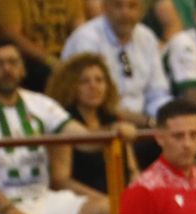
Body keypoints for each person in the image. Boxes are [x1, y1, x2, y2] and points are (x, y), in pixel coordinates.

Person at [0, 38, 113, 214]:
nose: (7, 69)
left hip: (41, 199)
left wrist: (113, 131)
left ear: (23, 69)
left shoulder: (41, 104)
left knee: (104, 212)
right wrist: (7, 209)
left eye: (12, 62)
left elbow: (84, 140)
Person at [62, 0, 171, 125]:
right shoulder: (86, 39)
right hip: (98, 123)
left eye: (132, 6)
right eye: (118, 6)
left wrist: (165, 119)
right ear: (104, 8)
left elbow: (157, 93)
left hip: (143, 122)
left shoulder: (147, 38)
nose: (125, 13)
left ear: (141, 10)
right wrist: (146, 122)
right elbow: (94, 99)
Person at [47, 51, 140, 193]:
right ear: (70, 86)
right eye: (84, 81)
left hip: (120, 198)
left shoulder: (113, 118)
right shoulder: (64, 121)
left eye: (99, 80)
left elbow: (132, 170)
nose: (93, 86)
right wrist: (103, 203)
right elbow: (60, 181)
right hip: (84, 203)